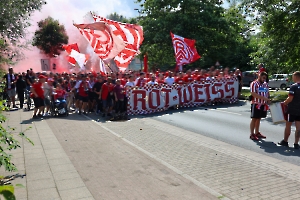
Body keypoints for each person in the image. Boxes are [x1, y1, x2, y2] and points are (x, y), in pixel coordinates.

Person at [278, 71, 300, 149]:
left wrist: (284, 103)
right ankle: (296, 143)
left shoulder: (293, 86)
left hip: (292, 110)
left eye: (293, 77)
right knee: (298, 128)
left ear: (296, 77)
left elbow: (290, 98)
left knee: (288, 125)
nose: (292, 78)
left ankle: (285, 141)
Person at [249, 71, 271, 140]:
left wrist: (268, 98)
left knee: (259, 118)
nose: (264, 79)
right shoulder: (254, 84)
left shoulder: (265, 84)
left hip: (263, 104)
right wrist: (263, 98)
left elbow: (267, 92)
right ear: (259, 76)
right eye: (263, 77)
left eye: (265, 78)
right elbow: (253, 93)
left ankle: (257, 132)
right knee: (254, 118)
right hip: (256, 104)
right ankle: (252, 134)